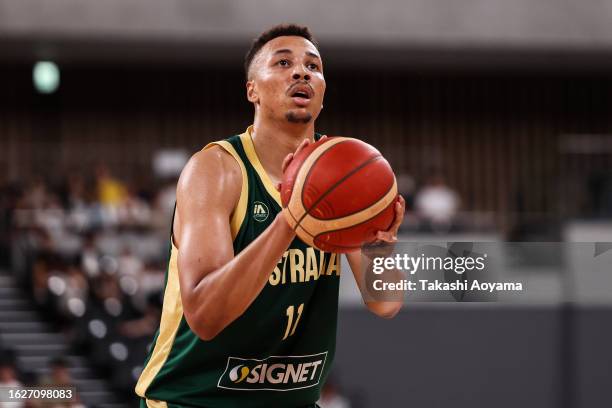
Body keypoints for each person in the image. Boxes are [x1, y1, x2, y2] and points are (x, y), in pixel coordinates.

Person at [135, 24, 405, 408]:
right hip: (194, 399)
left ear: (322, 94)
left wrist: (380, 248)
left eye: (314, 66)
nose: (301, 72)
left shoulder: (340, 175)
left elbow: (386, 303)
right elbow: (205, 317)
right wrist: (289, 221)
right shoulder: (216, 170)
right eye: (283, 63)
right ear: (252, 90)